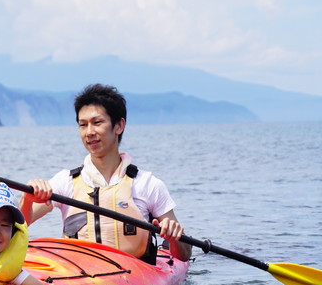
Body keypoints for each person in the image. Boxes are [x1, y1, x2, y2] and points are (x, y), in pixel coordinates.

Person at [19, 83, 192, 263]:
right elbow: (20, 224)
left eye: (97, 122)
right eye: (83, 125)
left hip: (135, 275)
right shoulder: (65, 182)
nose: (89, 132)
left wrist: (173, 237)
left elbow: (184, 255)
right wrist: (27, 199)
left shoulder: (147, 184)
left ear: (119, 126)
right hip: (81, 274)